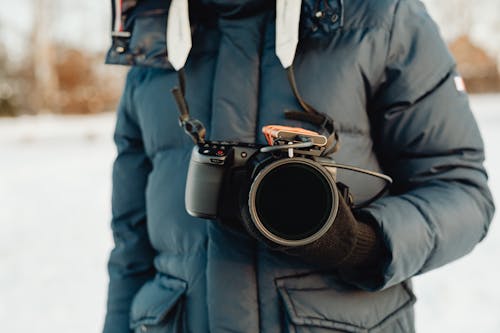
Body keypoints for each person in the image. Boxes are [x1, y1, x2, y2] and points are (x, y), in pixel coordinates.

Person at [103, 0, 495, 332]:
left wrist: (361, 243)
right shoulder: (153, 44)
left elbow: (459, 187)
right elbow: (131, 245)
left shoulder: (379, 18)